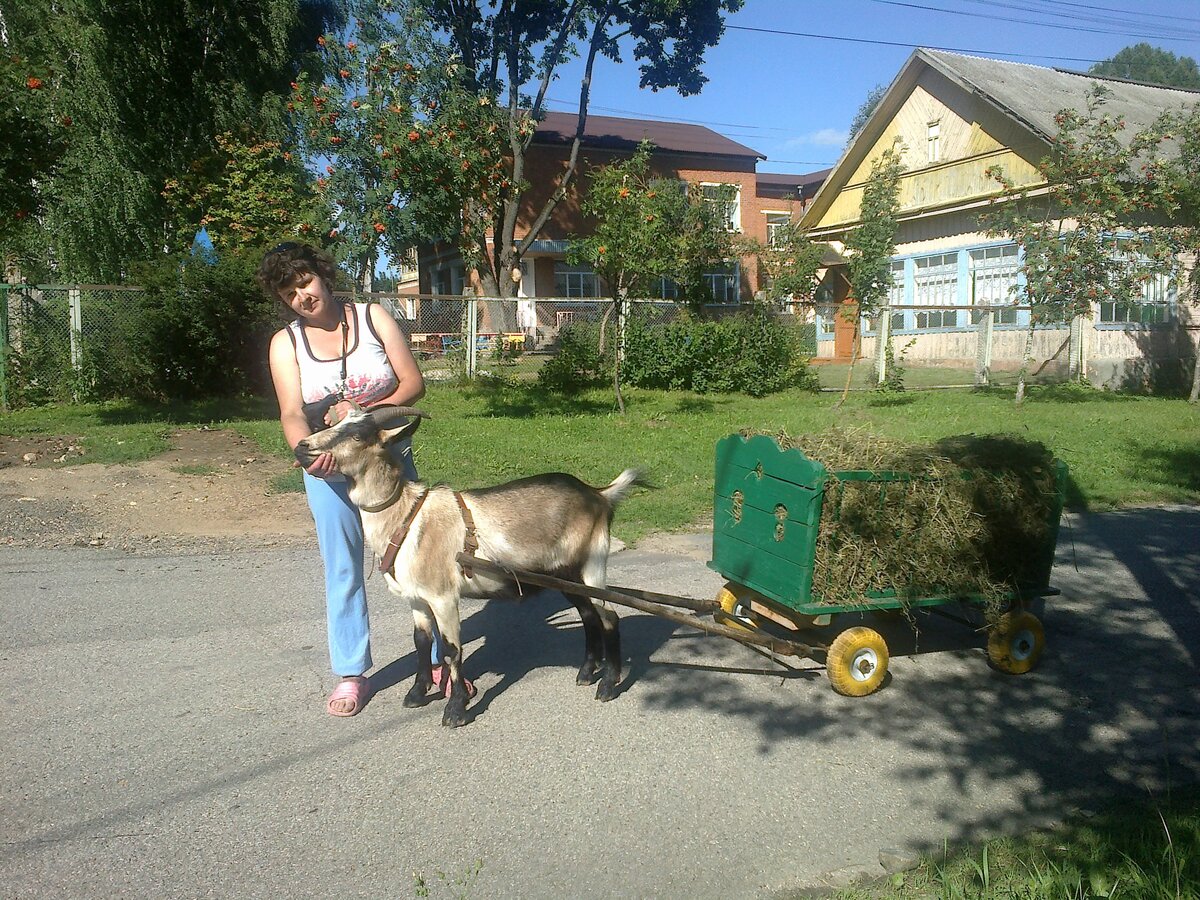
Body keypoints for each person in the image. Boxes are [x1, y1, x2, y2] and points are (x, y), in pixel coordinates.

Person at [257, 242, 459, 716]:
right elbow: (290, 412)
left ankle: (438, 661)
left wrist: (363, 413)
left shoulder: (373, 318)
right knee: (343, 568)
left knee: (418, 560)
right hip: (328, 475)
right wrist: (307, 456)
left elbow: (412, 383)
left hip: (387, 468)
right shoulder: (285, 344)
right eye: (290, 293)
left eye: (305, 282)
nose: (302, 296)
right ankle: (351, 673)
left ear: (322, 275)